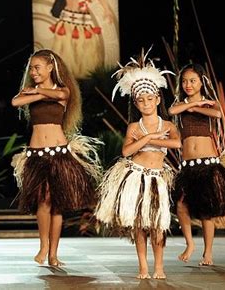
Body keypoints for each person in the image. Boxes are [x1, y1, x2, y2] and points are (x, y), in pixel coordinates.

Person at [11, 48, 102, 266]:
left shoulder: (62, 90)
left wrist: (39, 93)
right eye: (31, 68)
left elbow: (63, 95)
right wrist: (36, 92)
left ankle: (53, 254)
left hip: (58, 152)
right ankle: (43, 246)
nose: (33, 72)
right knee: (43, 202)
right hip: (36, 154)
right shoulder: (28, 91)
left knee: (57, 204)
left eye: (37, 67)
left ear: (51, 67)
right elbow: (15, 102)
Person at [95, 49, 181, 279]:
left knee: (157, 224)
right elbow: (126, 151)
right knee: (139, 225)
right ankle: (143, 265)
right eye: (141, 100)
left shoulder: (168, 125)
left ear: (158, 99)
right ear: (135, 102)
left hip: (157, 178)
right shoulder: (134, 127)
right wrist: (148, 138)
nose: (146, 103)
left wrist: (152, 139)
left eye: (150, 99)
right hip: (135, 176)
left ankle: (159, 266)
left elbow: (177, 143)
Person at [169, 63, 225, 266]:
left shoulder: (212, 104)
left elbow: (218, 114)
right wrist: (191, 105)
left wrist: (198, 105)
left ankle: (208, 252)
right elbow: (172, 110)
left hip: (208, 163)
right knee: (181, 205)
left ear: (202, 82)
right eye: (184, 81)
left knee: (206, 210)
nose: (188, 85)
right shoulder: (179, 104)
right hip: (187, 166)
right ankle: (190, 243)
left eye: (192, 80)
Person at [43, 0, 113, 79]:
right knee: (68, 56)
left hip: (85, 24)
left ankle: (86, 85)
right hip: (68, 24)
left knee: (88, 57)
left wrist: (107, 10)